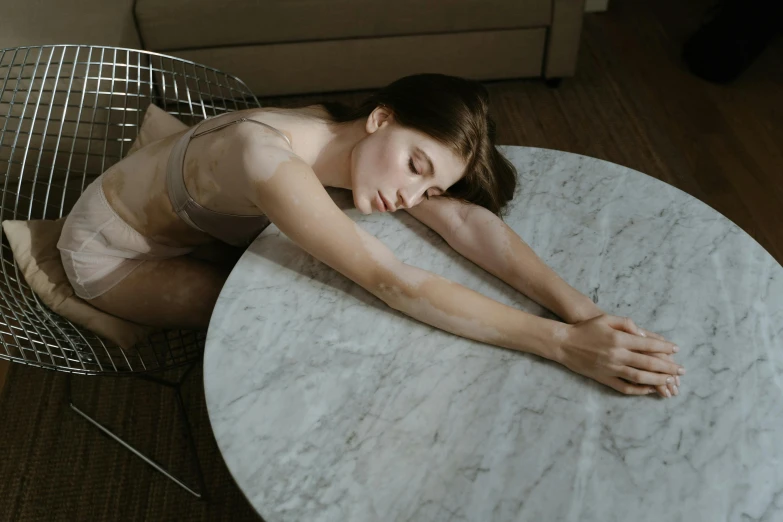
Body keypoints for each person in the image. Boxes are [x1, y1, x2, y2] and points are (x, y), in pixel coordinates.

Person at [56, 73, 684, 398]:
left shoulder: (349, 139)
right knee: (288, 322)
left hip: (194, 212)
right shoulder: (269, 157)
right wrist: (565, 346)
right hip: (114, 252)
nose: (411, 198)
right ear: (381, 117)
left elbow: (464, 220)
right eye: (416, 167)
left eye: (428, 188)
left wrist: (587, 313)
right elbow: (392, 279)